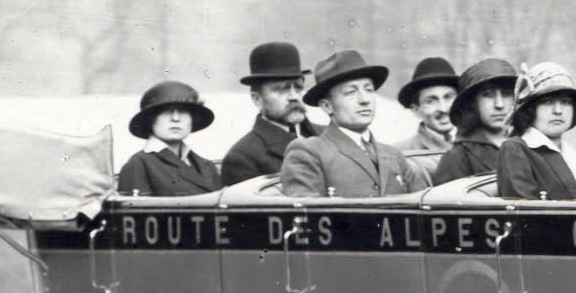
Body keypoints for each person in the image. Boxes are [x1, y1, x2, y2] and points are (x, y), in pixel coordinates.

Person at [277, 49, 432, 198]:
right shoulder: (308, 152)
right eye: (351, 92)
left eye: (369, 90)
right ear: (327, 106)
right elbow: (308, 216)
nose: (364, 100)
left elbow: (423, 210)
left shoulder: (395, 156)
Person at [497, 64, 576, 200]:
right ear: (531, 109)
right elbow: (523, 211)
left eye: (566, 102)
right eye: (548, 102)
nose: (558, 110)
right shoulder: (516, 149)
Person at [219, 40, 316, 183]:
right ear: (257, 99)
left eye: (298, 87)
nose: (294, 96)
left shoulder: (327, 136)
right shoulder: (243, 158)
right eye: (281, 89)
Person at [115, 81, 222, 197]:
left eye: (183, 111)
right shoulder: (138, 165)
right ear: (151, 120)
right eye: (166, 112)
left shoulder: (207, 166)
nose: (175, 118)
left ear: (192, 120)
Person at [432, 58, 519, 183]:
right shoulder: (458, 157)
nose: (499, 104)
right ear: (473, 103)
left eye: (506, 94)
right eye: (488, 94)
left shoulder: (529, 145)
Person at [396, 56, 461, 157]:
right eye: (431, 101)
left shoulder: (479, 145)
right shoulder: (402, 153)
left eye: (448, 97)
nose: (443, 109)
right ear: (415, 110)